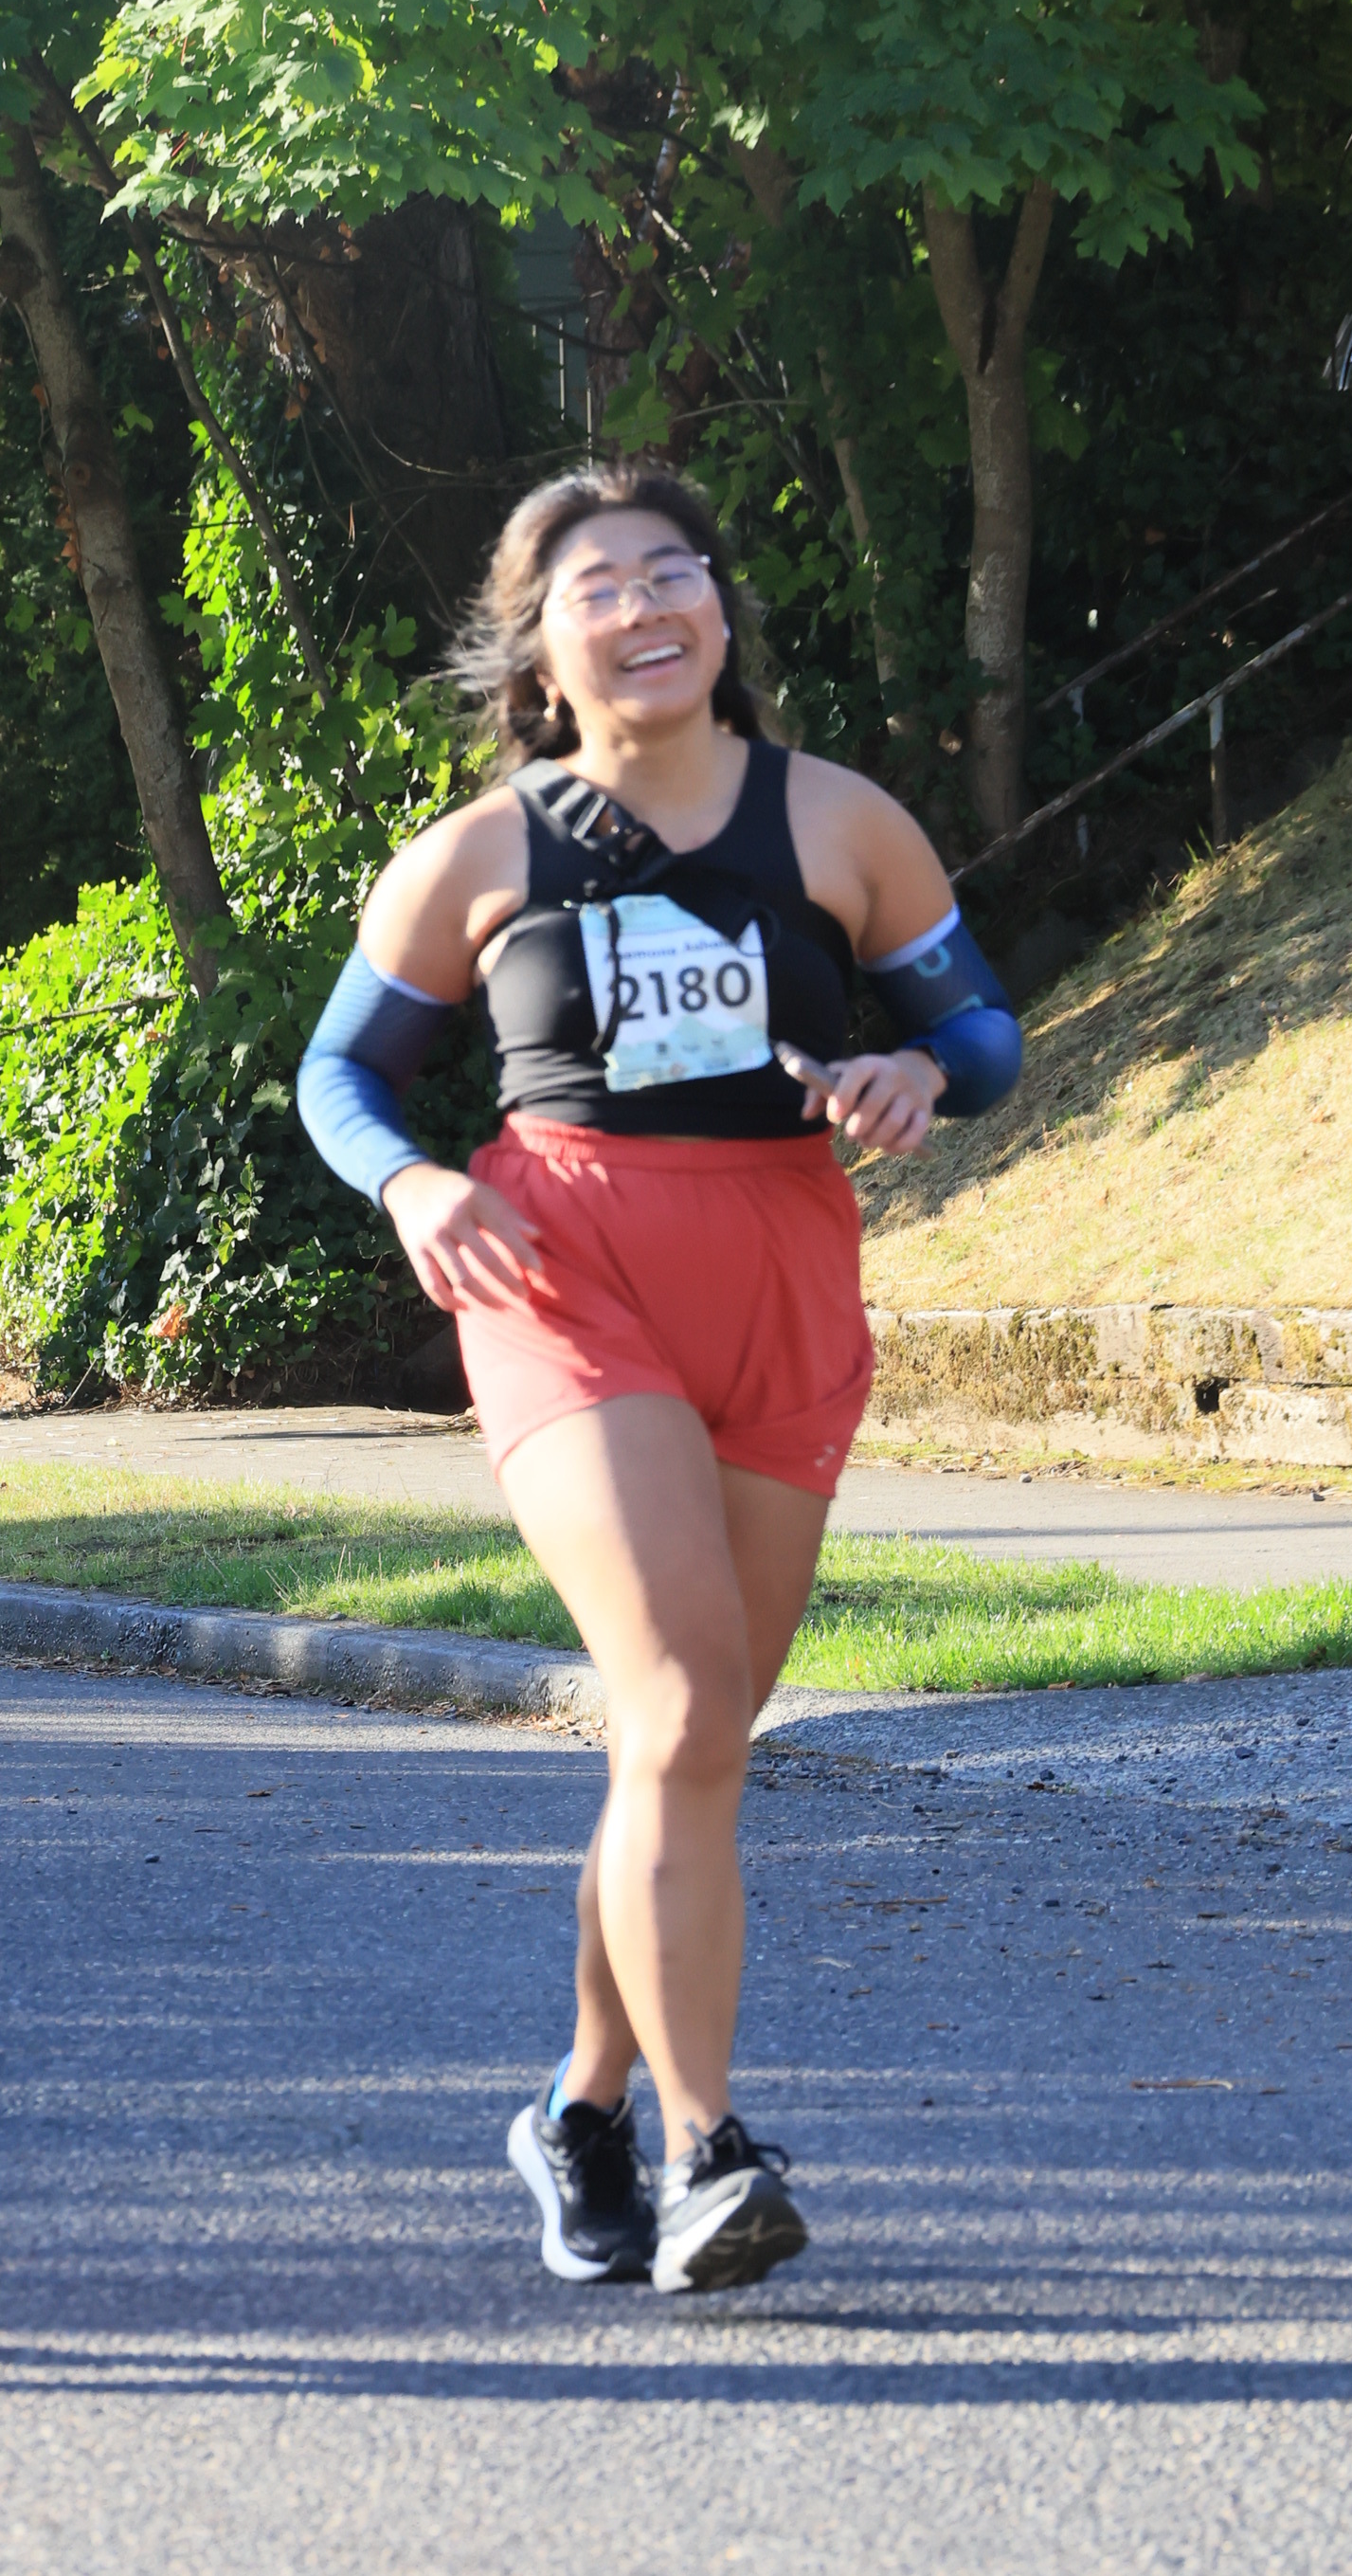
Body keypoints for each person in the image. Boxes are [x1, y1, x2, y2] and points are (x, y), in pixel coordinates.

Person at [298, 463, 1022, 2290]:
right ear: (540, 653)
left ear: (718, 606)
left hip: (781, 1270)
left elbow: (981, 1027)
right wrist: (413, 1183)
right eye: (598, 587)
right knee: (686, 1710)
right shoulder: (482, 854)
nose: (643, 607)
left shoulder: (840, 820)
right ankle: (711, 2152)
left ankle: (583, 2108)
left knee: (683, 1745)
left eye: (670, 572)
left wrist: (924, 1072)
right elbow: (341, 1075)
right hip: (564, 1271)